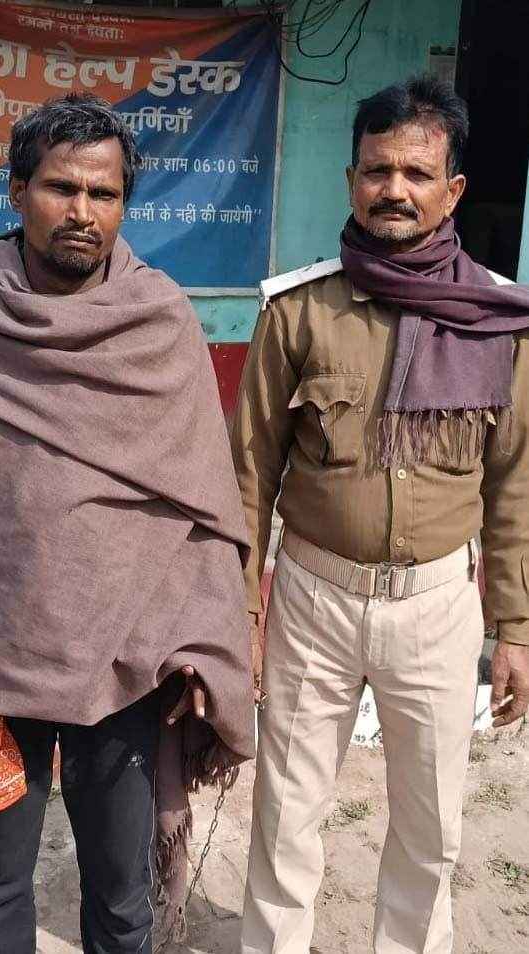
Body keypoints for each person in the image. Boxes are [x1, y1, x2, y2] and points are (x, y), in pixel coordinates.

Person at [0, 93, 255, 954]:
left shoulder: (158, 322)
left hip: (124, 660)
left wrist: (203, 640)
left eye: (103, 193)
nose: (83, 211)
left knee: (121, 893)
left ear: (123, 204)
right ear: (17, 192)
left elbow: (198, 502)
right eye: (61, 187)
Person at [233, 74, 529, 954]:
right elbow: (248, 470)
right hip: (312, 598)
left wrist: (515, 627)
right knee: (285, 815)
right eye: (376, 170)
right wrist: (241, 608)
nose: (393, 189)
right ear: (352, 178)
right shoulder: (298, 311)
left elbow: (514, 483)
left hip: (439, 607)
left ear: (453, 190)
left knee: (431, 826)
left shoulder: (501, 321)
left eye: (416, 172)